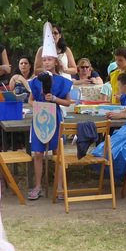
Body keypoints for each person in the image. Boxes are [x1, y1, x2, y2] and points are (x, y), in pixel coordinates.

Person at [27, 53, 73, 200]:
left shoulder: (62, 81)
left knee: (57, 152)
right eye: (44, 60)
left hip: (55, 117)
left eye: (49, 60)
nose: (47, 63)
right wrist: (37, 106)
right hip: (39, 118)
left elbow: (68, 102)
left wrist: (54, 99)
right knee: (38, 153)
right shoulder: (36, 81)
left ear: (56, 62)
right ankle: (38, 186)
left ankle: (59, 187)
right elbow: (30, 100)